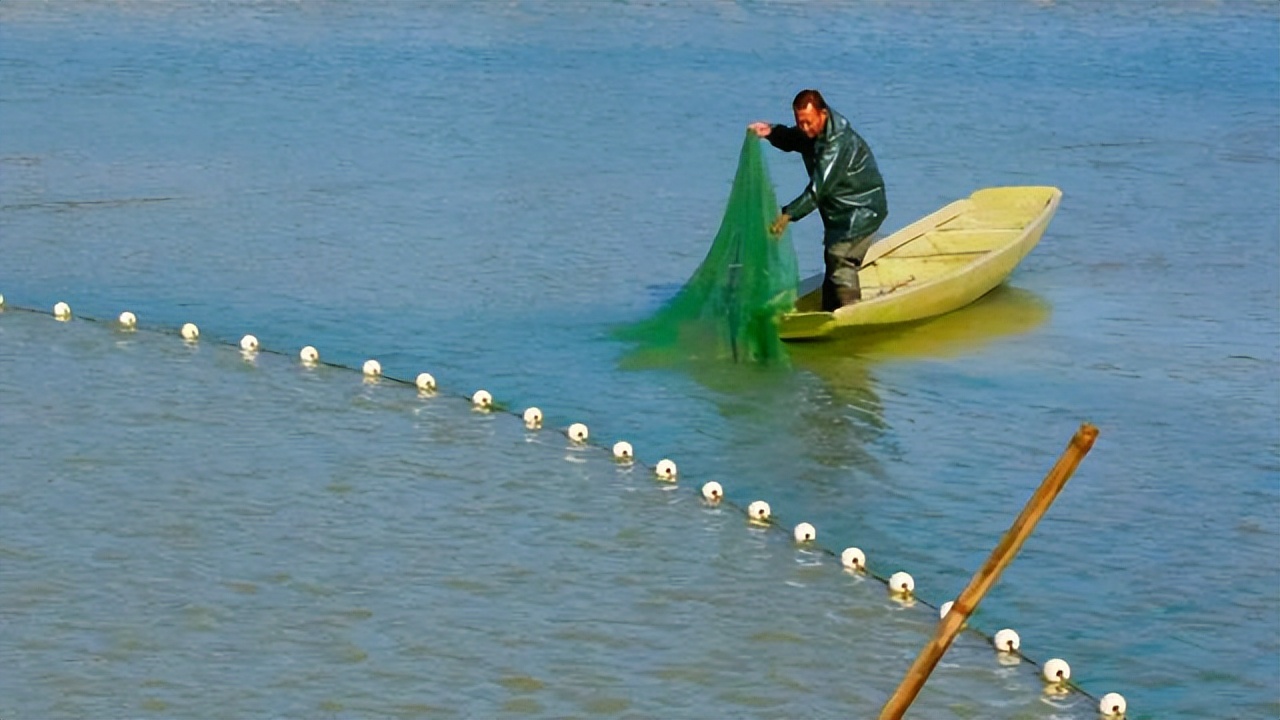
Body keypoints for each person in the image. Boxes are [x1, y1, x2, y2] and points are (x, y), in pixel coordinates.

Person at [749, 89, 888, 311]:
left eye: (808, 122)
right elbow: (794, 138)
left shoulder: (837, 143)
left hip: (863, 209)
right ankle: (830, 310)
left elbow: (818, 190)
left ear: (823, 114)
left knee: (840, 256)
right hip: (839, 212)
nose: (805, 128)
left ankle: (851, 312)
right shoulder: (813, 133)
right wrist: (771, 132)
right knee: (832, 259)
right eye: (800, 122)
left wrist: (788, 214)